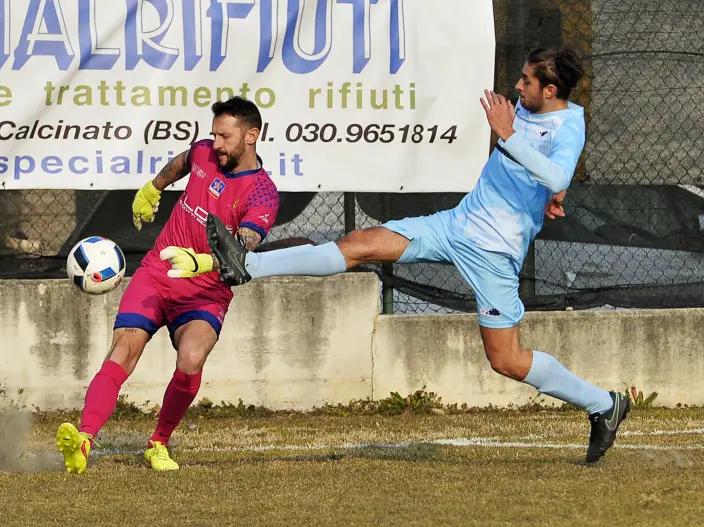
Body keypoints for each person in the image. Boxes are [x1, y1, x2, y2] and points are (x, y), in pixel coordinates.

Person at [164, 47, 630, 464]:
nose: (517, 86)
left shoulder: (568, 124)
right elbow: (546, 177)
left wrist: (513, 142)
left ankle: (603, 405)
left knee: (506, 360)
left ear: (549, 90)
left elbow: (556, 170)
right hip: (456, 225)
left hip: (496, 254)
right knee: (358, 243)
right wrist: (543, 184)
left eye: (527, 81)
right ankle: (248, 265)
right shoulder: (526, 111)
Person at [56, 96, 280, 473]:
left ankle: (158, 443)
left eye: (225, 137)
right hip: (158, 274)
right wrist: (154, 187)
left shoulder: (262, 192)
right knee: (122, 352)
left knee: (191, 360)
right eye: (214, 135)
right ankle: (84, 439)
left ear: (252, 135)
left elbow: (245, 245)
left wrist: (207, 260)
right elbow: (184, 161)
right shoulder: (206, 152)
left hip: (206, 290)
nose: (217, 144)